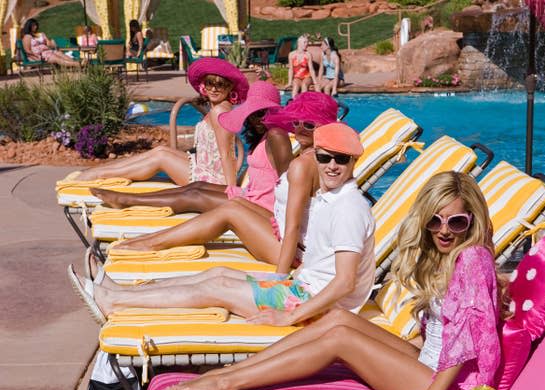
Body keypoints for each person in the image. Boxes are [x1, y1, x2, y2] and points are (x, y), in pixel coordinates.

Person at [164, 170, 503, 390]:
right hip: (429, 362)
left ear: (471, 221)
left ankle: (227, 383)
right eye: (435, 220)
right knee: (338, 319)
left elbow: (464, 345)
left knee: (341, 340)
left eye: (456, 222)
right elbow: (441, 333)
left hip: (447, 387)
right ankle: (233, 371)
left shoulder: (472, 258)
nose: (443, 231)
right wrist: (398, 351)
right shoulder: (453, 257)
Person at [70, 123, 376, 329]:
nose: (332, 165)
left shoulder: (349, 208)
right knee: (218, 273)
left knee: (217, 288)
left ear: (354, 162)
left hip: (317, 307)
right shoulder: (330, 197)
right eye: (325, 158)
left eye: (341, 159)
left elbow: (345, 282)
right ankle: (120, 290)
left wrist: (289, 316)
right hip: (301, 288)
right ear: (314, 156)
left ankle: (114, 302)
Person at [105, 92, 339, 275]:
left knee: (229, 212)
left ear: (325, 126)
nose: (299, 128)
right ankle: (145, 241)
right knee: (233, 205)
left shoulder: (304, 166)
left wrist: (279, 279)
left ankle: (150, 244)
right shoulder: (324, 159)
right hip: (292, 238)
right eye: (296, 121)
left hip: (293, 253)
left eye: (309, 124)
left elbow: (293, 228)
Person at [89, 80, 290, 215]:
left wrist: (234, 188)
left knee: (193, 194)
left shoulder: (275, 136)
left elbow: (288, 183)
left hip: (256, 206)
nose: (256, 119)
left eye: (262, 113)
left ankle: (126, 199)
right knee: (193, 187)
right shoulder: (263, 136)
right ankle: (126, 195)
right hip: (249, 195)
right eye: (253, 114)